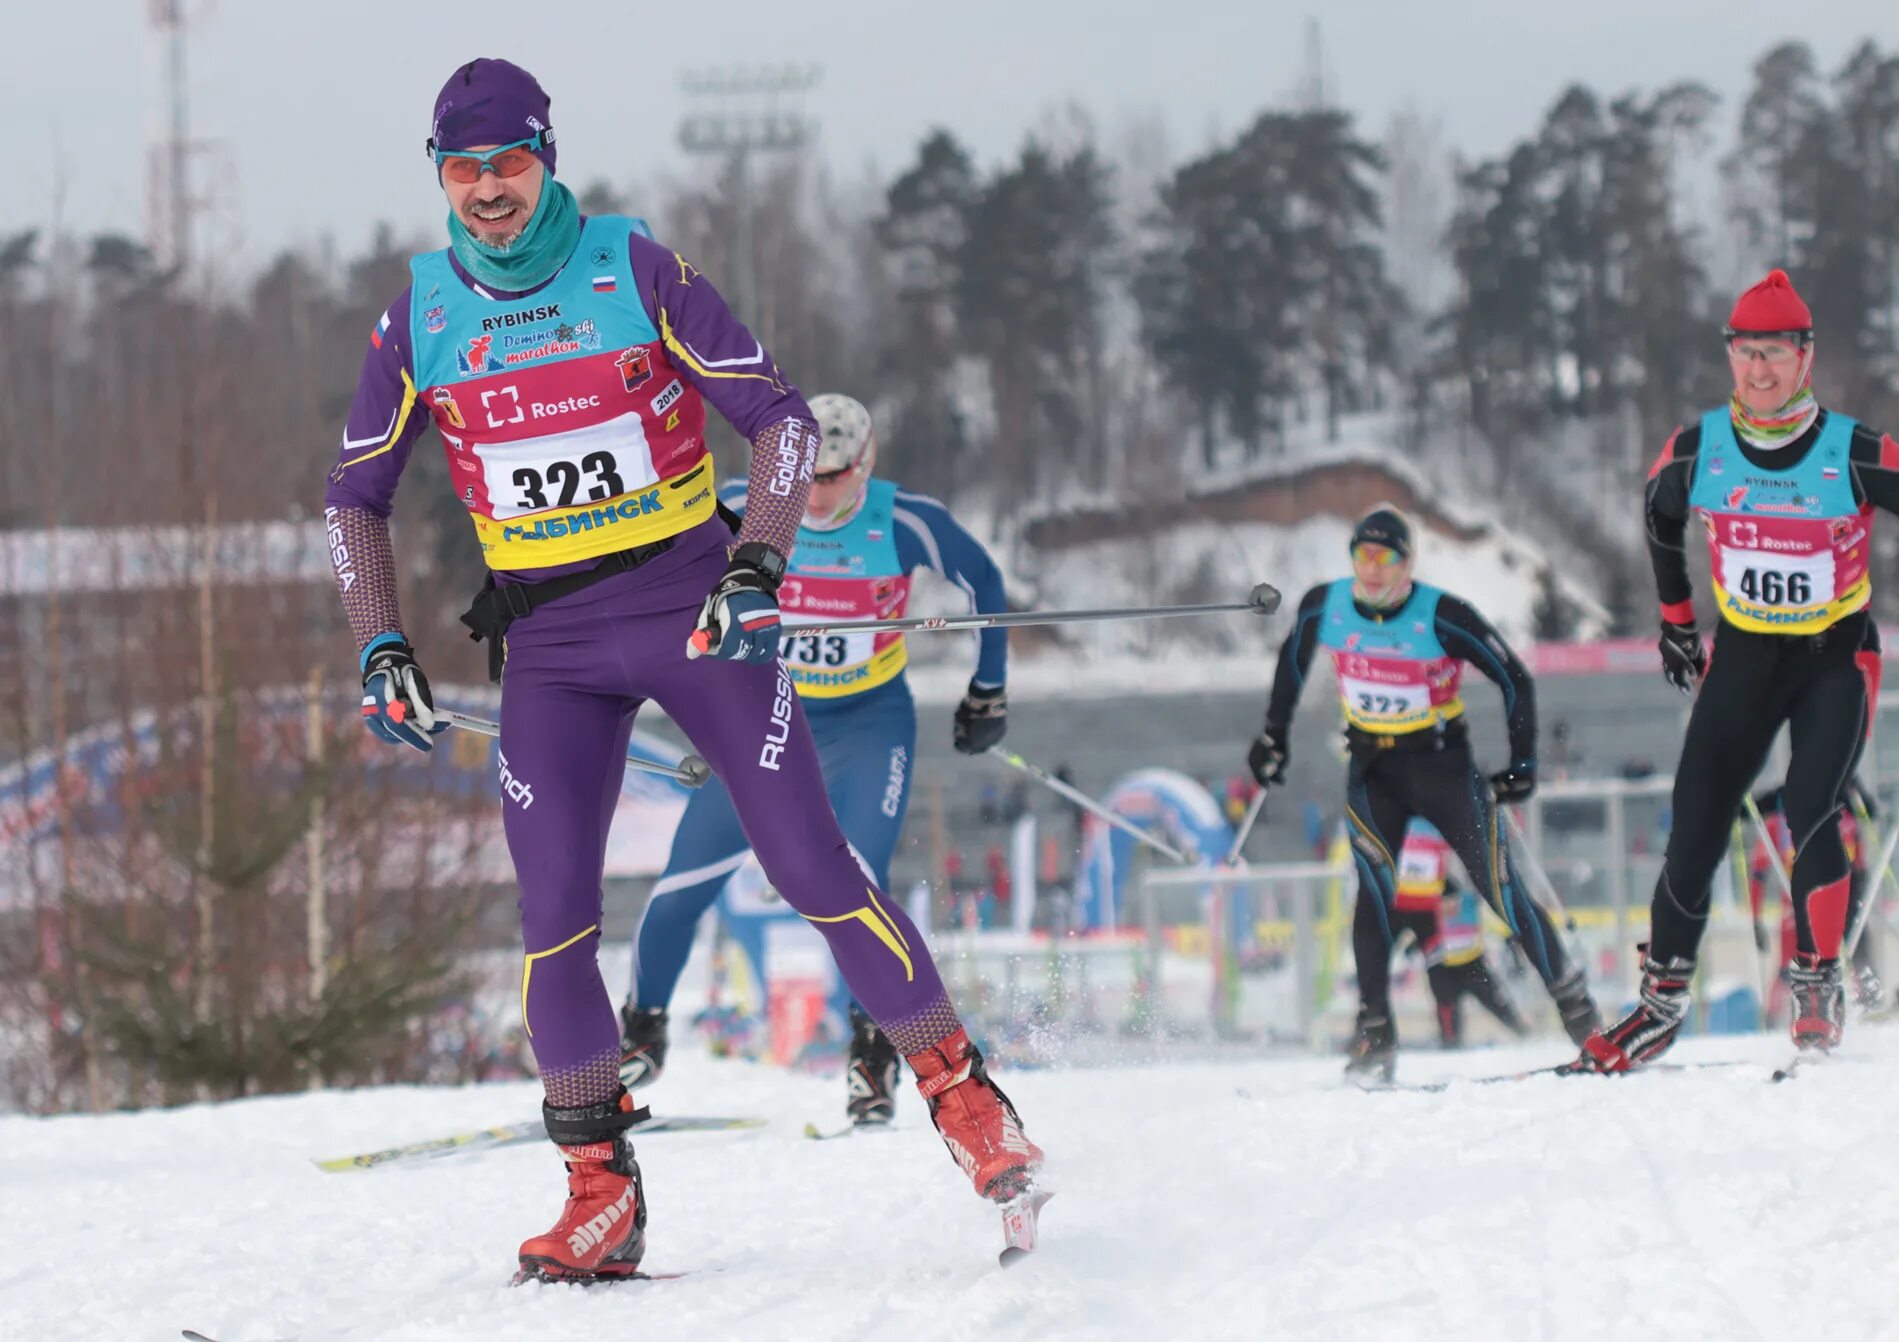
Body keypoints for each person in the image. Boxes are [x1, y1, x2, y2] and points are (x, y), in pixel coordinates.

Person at [323, 60, 1040, 1283]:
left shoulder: (633, 268)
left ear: (547, 156)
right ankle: (600, 1192)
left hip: (690, 611)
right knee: (553, 925)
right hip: (549, 647)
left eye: (508, 163)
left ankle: (967, 1097)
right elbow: (354, 497)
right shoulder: (421, 314)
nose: (488, 191)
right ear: (438, 175)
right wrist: (380, 640)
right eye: (463, 168)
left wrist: (756, 562)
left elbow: (782, 421)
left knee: (811, 864)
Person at [621, 392, 1010, 1128]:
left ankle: (873, 1053)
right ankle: (642, 1030)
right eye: (803, 477)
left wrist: (987, 692)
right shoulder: (740, 503)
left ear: (864, 465)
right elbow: (652, 563)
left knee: (860, 884)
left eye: (832, 478)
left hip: (866, 725)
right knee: (680, 888)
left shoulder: (905, 521)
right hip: (762, 722)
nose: (815, 494)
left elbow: (983, 584)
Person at [1572, 270, 1896, 1072]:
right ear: (1730, 358)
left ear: (1804, 356)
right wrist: (1677, 621)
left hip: (1832, 654)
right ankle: (1658, 1004)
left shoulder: (1854, 450)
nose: (1759, 371)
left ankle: (1816, 983)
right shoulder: (1699, 447)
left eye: (1775, 354)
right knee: (1696, 814)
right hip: (1745, 654)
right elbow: (1658, 514)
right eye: (1746, 354)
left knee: (1813, 806)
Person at [1245, 505, 1599, 1081]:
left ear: (1408, 563)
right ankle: (1375, 1033)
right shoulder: (1326, 606)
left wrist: (1524, 763)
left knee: (1499, 888)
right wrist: (1272, 738)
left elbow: (1515, 679)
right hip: (1372, 767)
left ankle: (1581, 1015)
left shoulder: (1441, 615)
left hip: (1440, 764)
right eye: (1363, 555)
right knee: (1374, 895)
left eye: (1386, 557)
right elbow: (1291, 665)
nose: (1373, 569)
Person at [1746, 777, 1882, 1020]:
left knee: (1850, 954)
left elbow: (1858, 865)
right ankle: (1776, 1017)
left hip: (1841, 901)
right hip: (1796, 904)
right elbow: (1758, 873)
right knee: (1791, 962)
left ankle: (1863, 1006)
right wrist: (1755, 919)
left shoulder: (1844, 815)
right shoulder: (1778, 823)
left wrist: (1863, 898)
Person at [1391, 819, 1528, 1047]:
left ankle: (1528, 1038)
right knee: (1449, 1028)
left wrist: (1509, 938)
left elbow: (1484, 911)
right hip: (1440, 963)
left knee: (1503, 1010)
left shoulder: (1465, 878)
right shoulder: (1423, 880)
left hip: (1470, 960)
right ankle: (1451, 1049)